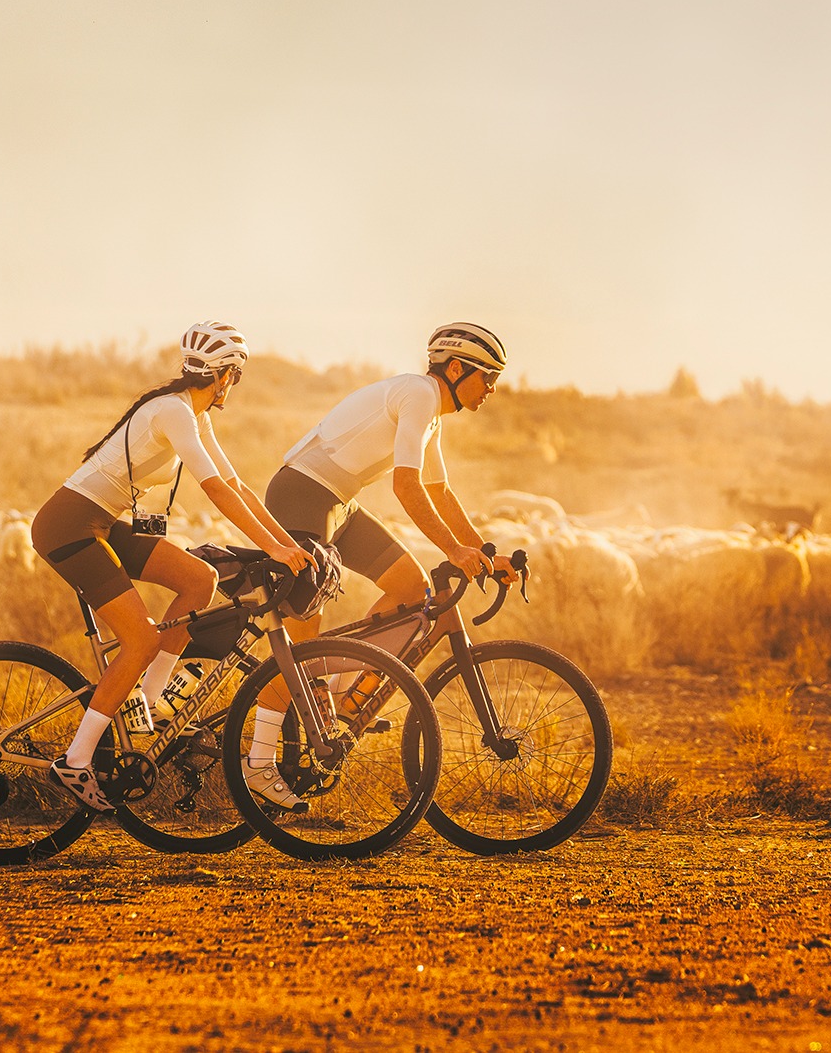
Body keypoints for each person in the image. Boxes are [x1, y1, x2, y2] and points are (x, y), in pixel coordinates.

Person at [32, 322, 313, 811]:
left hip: (99, 522)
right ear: (227, 377)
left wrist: (289, 547)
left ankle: (150, 706)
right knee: (140, 639)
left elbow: (239, 485)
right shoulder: (173, 412)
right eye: (236, 379)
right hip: (69, 525)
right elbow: (217, 491)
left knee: (198, 579)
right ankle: (75, 760)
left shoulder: (192, 413)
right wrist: (272, 549)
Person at [245, 321, 515, 807]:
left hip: (338, 503)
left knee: (414, 588)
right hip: (302, 495)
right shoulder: (419, 394)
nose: (492, 388)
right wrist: (455, 551)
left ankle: (341, 703)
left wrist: (486, 554)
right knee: (303, 641)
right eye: (487, 376)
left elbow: (439, 491)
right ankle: (259, 761)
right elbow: (406, 487)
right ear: (455, 369)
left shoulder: (429, 411)